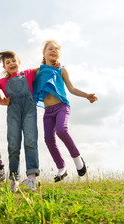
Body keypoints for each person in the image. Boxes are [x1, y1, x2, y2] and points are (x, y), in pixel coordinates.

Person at [33, 40, 98, 182]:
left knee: (61, 131)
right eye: (50, 49)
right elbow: (24, 77)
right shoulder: (38, 71)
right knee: (48, 139)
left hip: (62, 107)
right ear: (44, 53)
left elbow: (71, 88)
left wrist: (87, 95)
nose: (53, 51)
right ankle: (61, 168)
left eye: (56, 49)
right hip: (48, 111)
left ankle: (77, 159)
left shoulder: (62, 70)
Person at [0, 51, 40, 192]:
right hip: (13, 113)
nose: (11, 64)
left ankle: (32, 178)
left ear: (19, 61)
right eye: (7, 62)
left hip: (29, 111)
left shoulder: (28, 74)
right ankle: (14, 180)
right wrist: (1, 101)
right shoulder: (2, 82)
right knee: (13, 145)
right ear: (4, 67)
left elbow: (43, 68)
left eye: (13, 60)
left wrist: (51, 62)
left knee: (30, 141)